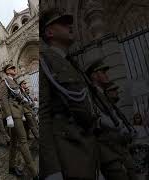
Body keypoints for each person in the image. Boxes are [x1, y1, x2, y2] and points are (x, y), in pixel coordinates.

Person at [40, 8, 98, 179]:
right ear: (49, 32)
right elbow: (43, 116)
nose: (70, 26)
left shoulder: (71, 63)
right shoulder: (45, 60)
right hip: (70, 154)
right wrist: (52, 170)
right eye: (63, 23)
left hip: (89, 152)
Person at [0, 64, 38, 179]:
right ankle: (34, 172)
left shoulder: (14, 82)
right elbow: (4, 99)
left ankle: (11, 167)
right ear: (7, 71)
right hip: (14, 114)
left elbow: (20, 98)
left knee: (13, 143)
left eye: (14, 68)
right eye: (12, 68)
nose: (14, 70)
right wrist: (8, 116)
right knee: (23, 141)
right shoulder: (5, 82)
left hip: (19, 113)